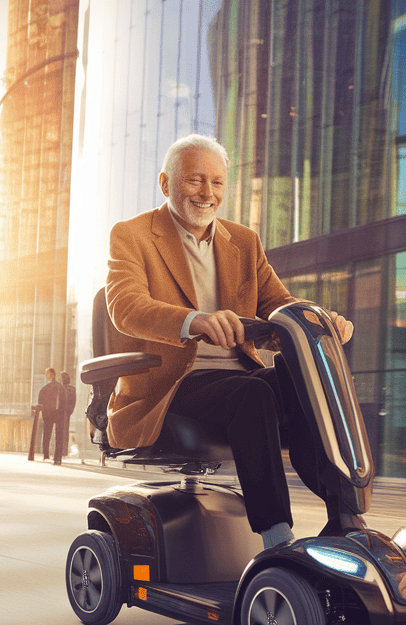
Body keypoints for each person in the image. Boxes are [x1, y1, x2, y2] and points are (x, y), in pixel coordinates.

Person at [105, 133, 354, 549]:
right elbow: (126, 306)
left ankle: (343, 518)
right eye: (195, 180)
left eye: (217, 182)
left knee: (302, 378)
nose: (207, 193)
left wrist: (321, 321)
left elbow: (280, 304)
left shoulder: (244, 241)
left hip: (238, 376)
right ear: (167, 184)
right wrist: (194, 321)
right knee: (252, 393)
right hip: (174, 384)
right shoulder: (132, 235)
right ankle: (277, 538)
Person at [36, 367, 63, 464]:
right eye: (47, 374)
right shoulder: (48, 387)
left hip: (53, 413)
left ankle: (52, 456)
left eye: (49, 373)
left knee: (52, 435)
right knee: (50, 435)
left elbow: (40, 400)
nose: (47, 375)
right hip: (52, 413)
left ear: (53, 374)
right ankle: (50, 456)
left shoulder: (54, 387)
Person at [57, 371, 75, 461]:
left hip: (66, 413)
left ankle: (64, 450)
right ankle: (59, 450)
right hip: (58, 412)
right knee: (59, 431)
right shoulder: (58, 388)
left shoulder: (72, 389)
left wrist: (69, 411)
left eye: (64, 377)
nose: (63, 379)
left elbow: (73, 402)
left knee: (65, 432)